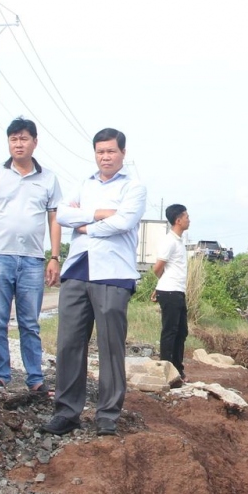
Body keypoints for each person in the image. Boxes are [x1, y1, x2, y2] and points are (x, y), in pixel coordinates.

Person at [43, 129, 147, 437]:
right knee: (69, 344)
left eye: (111, 151)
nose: (105, 157)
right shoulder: (84, 184)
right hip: (77, 269)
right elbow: (62, 214)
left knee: (110, 346)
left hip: (114, 272)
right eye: (100, 151)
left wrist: (86, 226)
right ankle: (66, 411)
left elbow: (124, 222)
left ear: (123, 153)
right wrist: (100, 214)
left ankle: (107, 415)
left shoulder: (134, 187)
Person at [0, 118, 61, 395]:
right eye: (13, 139)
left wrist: (54, 256)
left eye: (23, 138)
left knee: (30, 323)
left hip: (33, 259)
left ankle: (35, 377)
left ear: (35, 141)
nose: (18, 144)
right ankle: (0, 375)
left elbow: (54, 217)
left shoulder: (48, 178)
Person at [153, 204, 191, 377]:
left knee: (181, 331)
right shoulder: (169, 241)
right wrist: (162, 286)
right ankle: (166, 370)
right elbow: (157, 268)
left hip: (176, 291)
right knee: (170, 331)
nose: (188, 220)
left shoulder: (179, 241)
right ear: (178, 220)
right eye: (186, 217)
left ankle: (177, 368)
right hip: (170, 291)